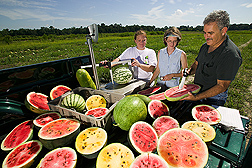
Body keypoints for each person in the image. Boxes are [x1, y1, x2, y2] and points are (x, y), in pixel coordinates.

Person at [182, 10, 242, 106]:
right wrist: (189, 71)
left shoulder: (230, 55)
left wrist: (196, 97)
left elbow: (222, 86)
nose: (206, 36)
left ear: (223, 31)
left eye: (210, 33)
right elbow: (197, 64)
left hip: (214, 98)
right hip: (197, 90)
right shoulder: (205, 46)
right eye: (204, 33)